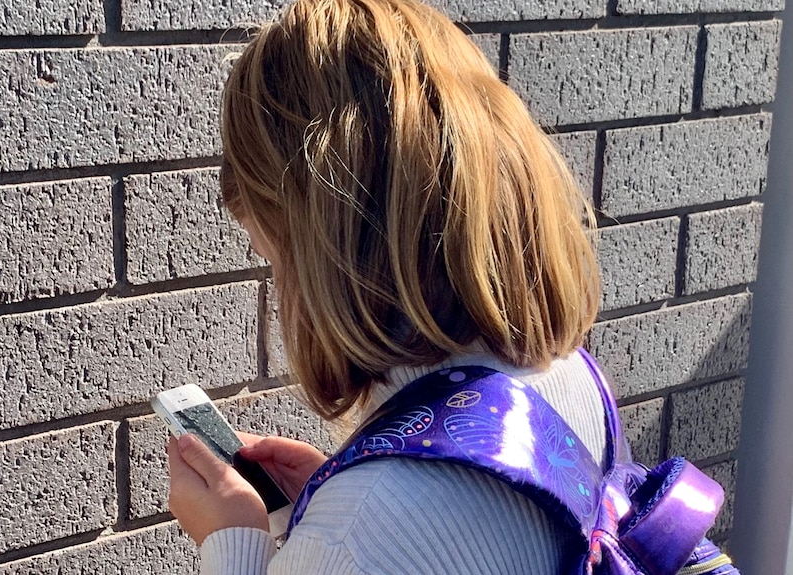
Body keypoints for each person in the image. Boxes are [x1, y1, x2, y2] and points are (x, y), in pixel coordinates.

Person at [165, 0, 605, 572]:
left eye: (275, 261)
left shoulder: (358, 535)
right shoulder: (569, 373)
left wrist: (235, 544)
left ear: (326, 255)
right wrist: (333, 499)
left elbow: (393, 538)